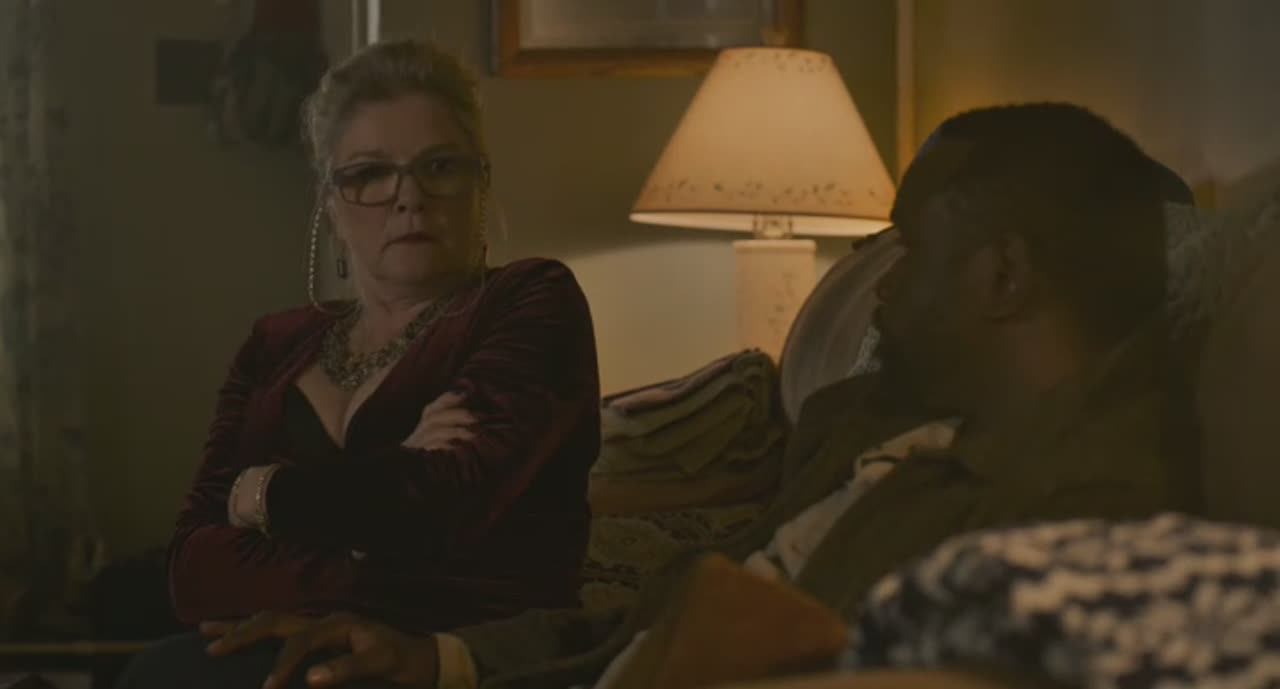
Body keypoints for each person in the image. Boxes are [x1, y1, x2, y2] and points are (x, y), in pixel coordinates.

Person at [120, 103, 1198, 689]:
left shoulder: (1071, 513)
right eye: (367, 174)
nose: (881, 288)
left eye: (908, 248)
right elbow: (650, 608)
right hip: (512, 658)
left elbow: (451, 498)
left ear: (1004, 276)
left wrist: (285, 501)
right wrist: (436, 657)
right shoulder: (864, 422)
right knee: (172, 664)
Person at [166, 39, 601, 633]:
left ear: (480, 183)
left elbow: (451, 506)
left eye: (439, 167)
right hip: (256, 652)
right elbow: (192, 572)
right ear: (331, 204)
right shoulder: (274, 343)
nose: (410, 198)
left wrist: (263, 493)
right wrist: (380, 517)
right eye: (370, 173)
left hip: (458, 659)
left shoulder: (529, 300)